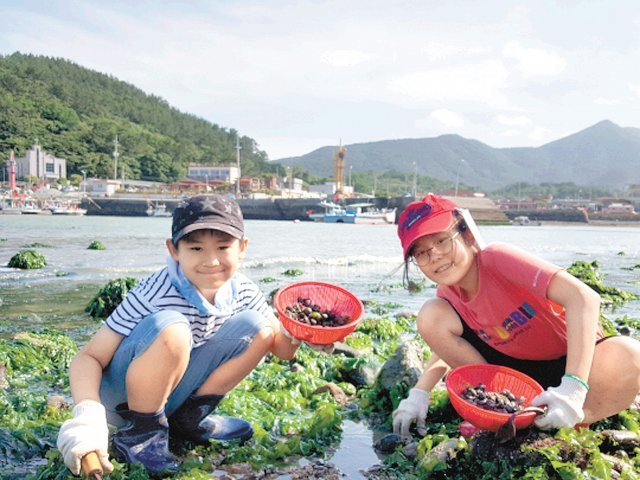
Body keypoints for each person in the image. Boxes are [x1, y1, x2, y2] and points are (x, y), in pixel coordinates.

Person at [56, 194, 322, 475]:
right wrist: (88, 418)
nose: (211, 261)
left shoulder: (243, 290)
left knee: (261, 326)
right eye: (195, 248)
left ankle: (187, 421)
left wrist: (305, 334)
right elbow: (89, 357)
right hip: (122, 402)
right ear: (174, 250)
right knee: (173, 327)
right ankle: (141, 434)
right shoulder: (155, 291)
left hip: (171, 395)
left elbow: (280, 349)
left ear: (242, 248)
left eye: (223, 247)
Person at [392, 193, 640, 437]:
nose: (434, 254)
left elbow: (583, 297)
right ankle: (501, 411)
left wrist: (574, 387)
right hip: (515, 384)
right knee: (430, 315)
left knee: (631, 354)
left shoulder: (497, 259)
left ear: (466, 233)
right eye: (421, 252)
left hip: (575, 365)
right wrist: (419, 393)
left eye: (442, 240)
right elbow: (444, 351)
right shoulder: (446, 296)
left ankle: (573, 421)